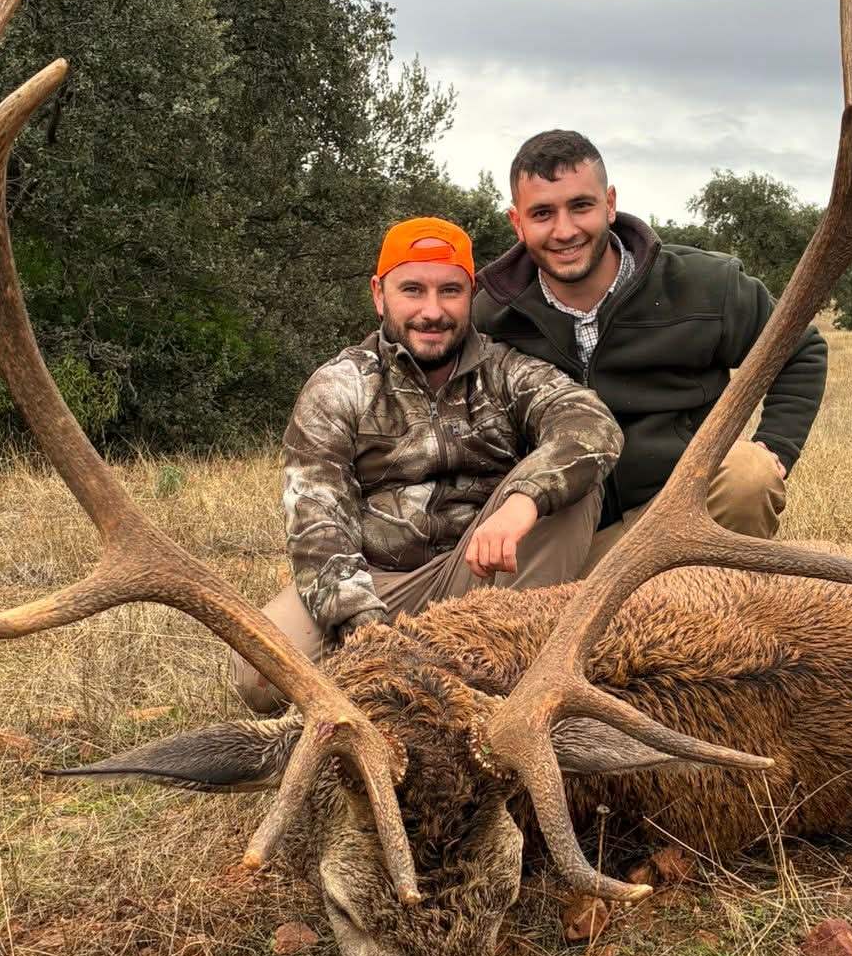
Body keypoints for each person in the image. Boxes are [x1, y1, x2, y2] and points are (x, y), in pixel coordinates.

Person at [233, 215, 622, 711]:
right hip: (380, 581)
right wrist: (370, 637)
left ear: (471, 295)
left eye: (450, 291)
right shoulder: (339, 387)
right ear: (379, 295)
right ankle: (436, 668)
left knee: (570, 489)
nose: (432, 311)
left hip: (487, 580)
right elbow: (318, 525)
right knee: (257, 676)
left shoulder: (506, 371)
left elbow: (590, 424)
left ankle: (514, 675)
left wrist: (523, 501)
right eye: (412, 290)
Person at [473, 130, 828, 558]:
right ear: (517, 223)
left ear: (609, 204)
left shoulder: (704, 284)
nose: (564, 230)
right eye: (543, 213)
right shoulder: (490, 315)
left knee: (746, 474)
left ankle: (712, 589)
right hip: (565, 533)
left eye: (581, 206)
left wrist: (776, 448)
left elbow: (799, 348)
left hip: (683, 511)